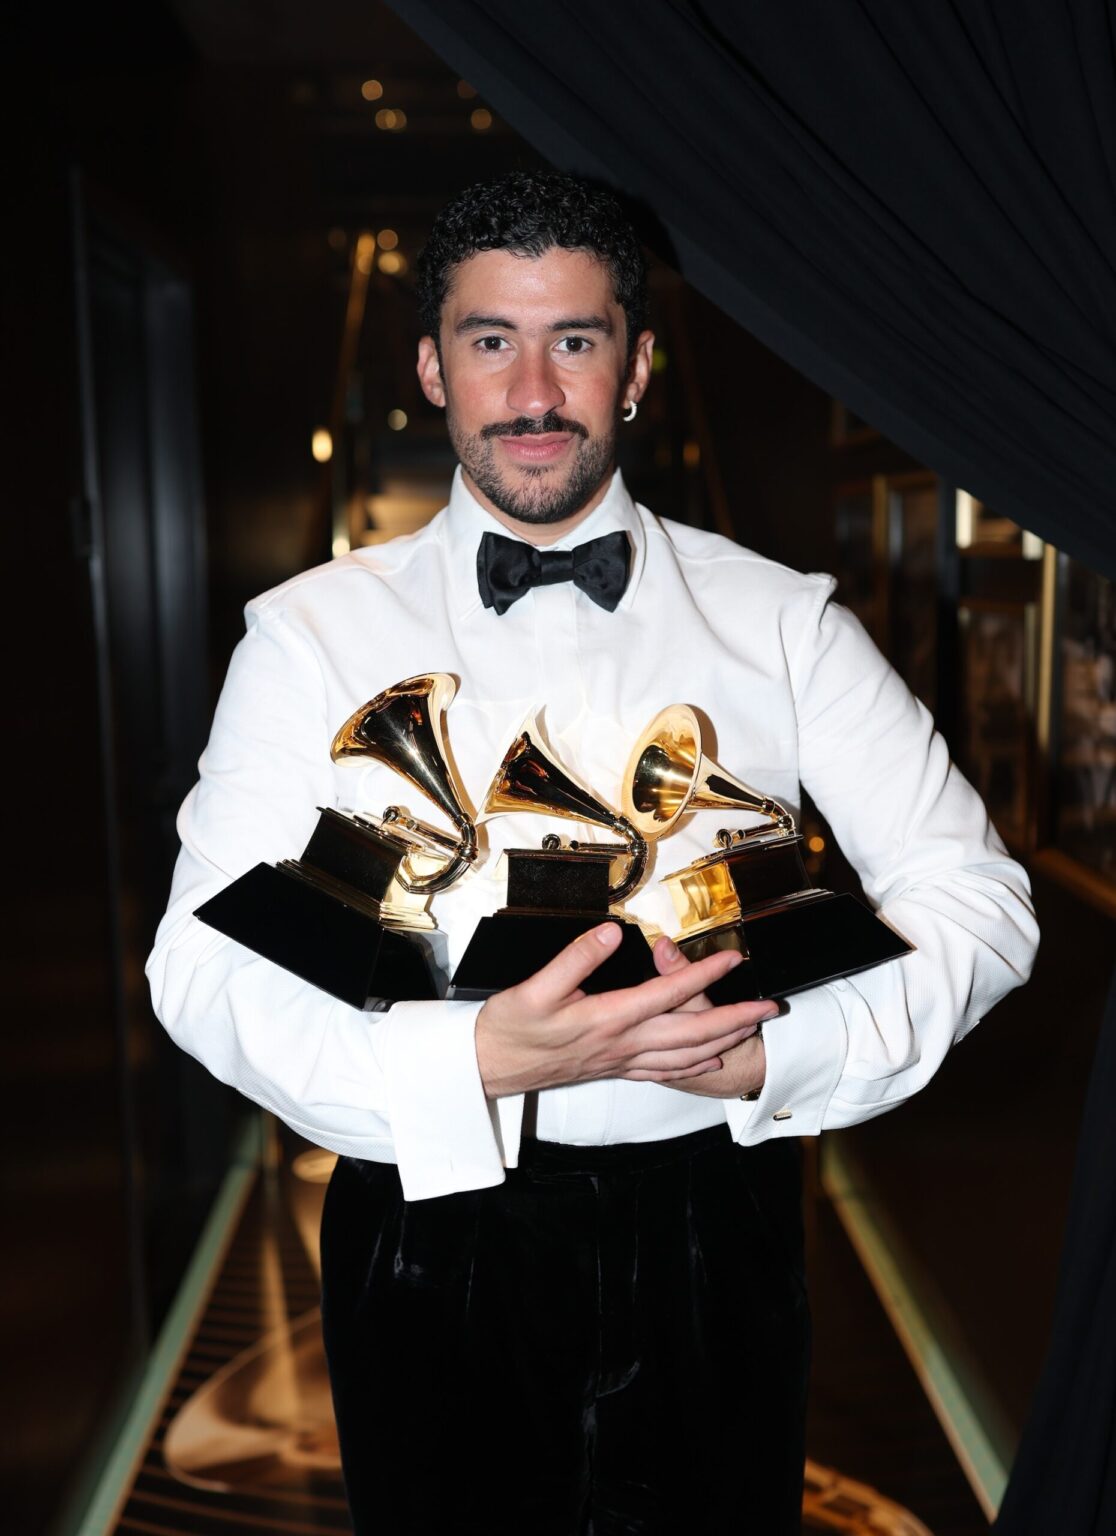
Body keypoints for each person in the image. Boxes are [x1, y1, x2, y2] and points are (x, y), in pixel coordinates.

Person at [147, 171, 1039, 1535]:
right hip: (430, 1222)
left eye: (576, 338)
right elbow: (201, 974)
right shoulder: (308, 635)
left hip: (716, 1222)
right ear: (431, 369)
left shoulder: (785, 622)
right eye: (491, 339)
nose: (534, 389)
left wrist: (779, 1056)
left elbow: (980, 902)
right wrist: (476, 1064)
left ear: (635, 371)